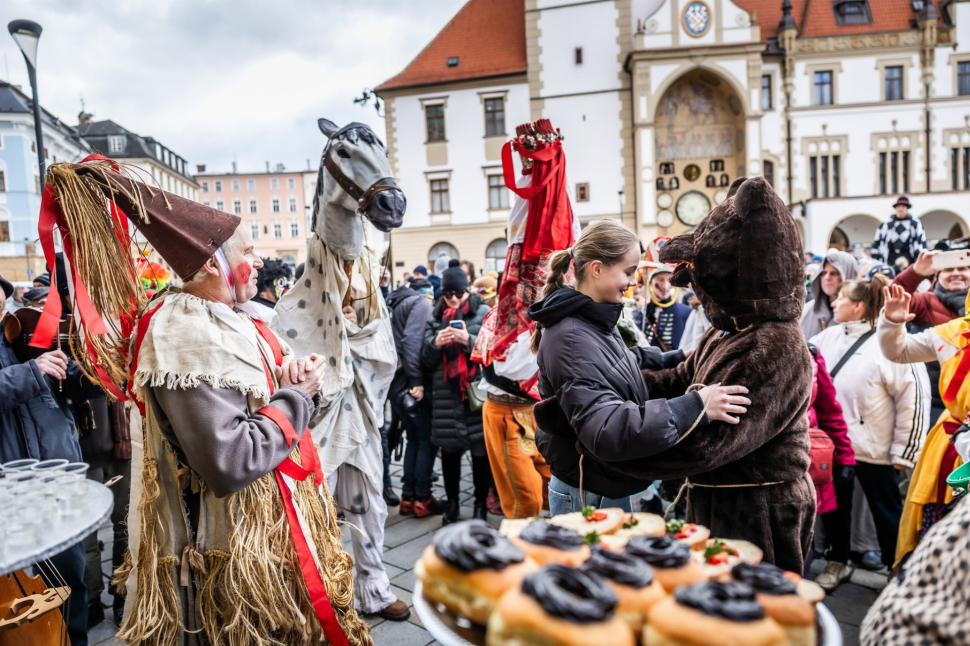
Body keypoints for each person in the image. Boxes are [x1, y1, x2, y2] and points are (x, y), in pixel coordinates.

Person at [36, 160, 370, 645]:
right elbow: (230, 460)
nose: (259, 262)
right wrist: (298, 395)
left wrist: (293, 383)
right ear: (212, 263)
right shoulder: (185, 333)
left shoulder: (232, 317)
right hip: (232, 552)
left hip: (272, 528)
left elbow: (263, 407)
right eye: (250, 252)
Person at [528, 220, 750, 516]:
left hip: (599, 485)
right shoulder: (571, 336)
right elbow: (606, 428)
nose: (634, 282)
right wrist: (695, 407)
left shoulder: (588, 319)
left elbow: (618, 363)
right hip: (589, 493)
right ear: (597, 269)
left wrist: (679, 357)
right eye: (629, 272)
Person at [0, 272, 106, 646]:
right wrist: (32, 371)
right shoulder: (25, 357)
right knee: (12, 595)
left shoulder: (27, 334)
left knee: (67, 581)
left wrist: (96, 368)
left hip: (57, 481)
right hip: (8, 492)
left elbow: (72, 384)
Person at [810, 276, 930, 585]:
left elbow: (913, 399)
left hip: (875, 449)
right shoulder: (827, 338)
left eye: (842, 298)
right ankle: (838, 561)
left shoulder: (889, 343)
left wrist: (905, 451)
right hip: (833, 446)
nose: (834, 302)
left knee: (886, 513)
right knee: (835, 511)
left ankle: (897, 571)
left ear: (859, 306)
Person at [878, 282, 970, 566]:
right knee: (940, 531)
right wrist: (892, 321)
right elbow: (898, 351)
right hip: (951, 444)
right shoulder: (952, 334)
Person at [421, 259, 494, 524]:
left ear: (468, 292)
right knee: (450, 456)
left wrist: (468, 342)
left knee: (480, 456)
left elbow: (492, 352)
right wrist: (435, 344)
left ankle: (479, 508)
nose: (453, 299)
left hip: (473, 397)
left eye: (458, 294)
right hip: (445, 398)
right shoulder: (435, 316)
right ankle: (452, 506)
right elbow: (425, 361)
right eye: (448, 294)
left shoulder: (483, 312)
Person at [386, 276, 443, 517]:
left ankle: (408, 497)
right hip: (409, 385)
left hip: (396, 383)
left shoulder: (398, 301)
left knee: (413, 439)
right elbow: (411, 342)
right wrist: (417, 381)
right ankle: (422, 497)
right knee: (426, 440)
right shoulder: (420, 303)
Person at [892, 249, 970, 423]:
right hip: (934, 402)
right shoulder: (926, 302)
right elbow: (894, 299)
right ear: (937, 275)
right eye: (948, 269)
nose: (956, 273)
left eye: (963, 268)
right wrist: (915, 273)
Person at [805, 342, 855, 581]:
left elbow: (829, 410)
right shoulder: (726, 343)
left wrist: (845, 457)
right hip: (746, 467)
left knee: (801, 534)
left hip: (805, 463)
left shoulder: (809, 352)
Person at [633, 263, 693, 350]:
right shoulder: (640, 313)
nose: (665, 286)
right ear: (650, 283)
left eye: (669, 280)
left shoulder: (686, 312)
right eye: (660, 280)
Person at [800, 250, 858, 338]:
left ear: (848, 275)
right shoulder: (806, 310)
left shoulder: (859, 314)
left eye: (834, 273)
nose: (827, 278)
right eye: (823, 273)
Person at [871, 196, 926, 268]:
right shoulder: (887, 224)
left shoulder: (915, 224)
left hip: (908, 257)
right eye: (898, 206)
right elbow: (878, 241)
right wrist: (877, 258)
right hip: (890, 258)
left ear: (907, 208)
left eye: (903, 206)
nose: (900, 209)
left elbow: (920, 242)